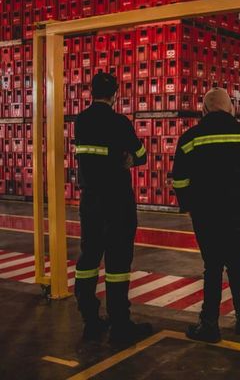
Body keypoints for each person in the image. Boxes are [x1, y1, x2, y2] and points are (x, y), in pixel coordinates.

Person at [172, 87, 240, 343]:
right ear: (231, 108)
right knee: (236, 264)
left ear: (204, 110)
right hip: (238, 213)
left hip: (207, 214)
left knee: (212, 266)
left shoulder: (190, 138)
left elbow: (179, 179)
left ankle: (209, 323)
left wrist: (188, 204)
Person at [74, 73, 152, 343]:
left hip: (90, 200)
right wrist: (124, 157)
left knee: (88, 258)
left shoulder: (81, 121)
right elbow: (141, 155)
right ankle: (120, 323)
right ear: (115, 94)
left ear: (91, 92)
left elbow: (89, 156)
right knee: (118, 262)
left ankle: (90, 319)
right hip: (117, 201)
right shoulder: (119, 122)